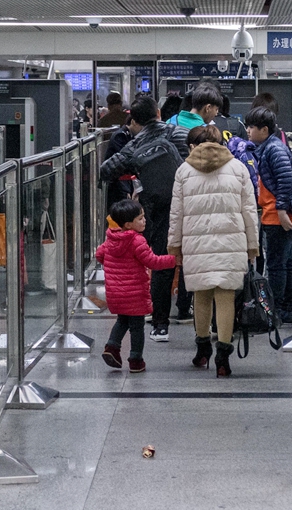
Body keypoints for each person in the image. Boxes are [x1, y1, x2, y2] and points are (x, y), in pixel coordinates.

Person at [167, 125, 258, 377]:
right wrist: (252, 244)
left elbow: (176, 213)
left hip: (196, 243)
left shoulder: (184, 171)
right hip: (232, 242)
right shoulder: (238, 168)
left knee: (201, 294)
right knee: (226, 296)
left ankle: (202, 350)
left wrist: (175, 245)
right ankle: (223, 358)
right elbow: (249, 210)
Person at [99, 95, 191, 341]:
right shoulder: (181, 133)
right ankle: (191, 312)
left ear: (134, 121)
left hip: (158, 209)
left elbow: (106, 170)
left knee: (162, 261)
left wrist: (135, 168)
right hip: (190, 204)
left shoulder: (134, 145)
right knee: (193, 258)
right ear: (158, 113)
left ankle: (160, 325)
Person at [96, 199, 176, 373]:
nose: (144, 220)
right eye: (140, 218)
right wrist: (173, 260)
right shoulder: (136, 240)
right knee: (137, 327)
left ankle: (112, 347)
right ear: (128, 224)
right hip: (135, 293)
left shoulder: (110, 238)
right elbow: (152, 262)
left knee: (122, 320)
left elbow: (99, 255)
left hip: (115, 292)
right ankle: (135, 360)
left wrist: (114, 268)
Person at [245, 106, 292, 325]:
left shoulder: (274, 150)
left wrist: (281, 211)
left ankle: (275, 312)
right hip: (279, 214)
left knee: (276, 265)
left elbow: (286, 181)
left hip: (278, 216)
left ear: (264, 129)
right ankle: (286, 309)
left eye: (252, 127)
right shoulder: (271, 147)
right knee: (285, 263)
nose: (248, 130)